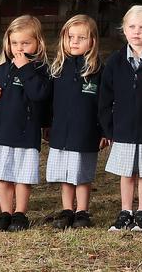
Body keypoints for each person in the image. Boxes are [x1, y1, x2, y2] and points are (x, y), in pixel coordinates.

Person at [99, 5, 142, 232]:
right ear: (124, 29)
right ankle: (126, 211)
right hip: (123, 130)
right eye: (132, 27)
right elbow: (105, 99)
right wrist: (108, 129)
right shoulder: (114, 62)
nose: (137, 31)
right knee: (127, 173)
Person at [0, 15, 50, 232]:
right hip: (2, 132)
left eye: (25, 43)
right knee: (4, 175)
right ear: (8, 44)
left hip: (26, 132)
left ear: (38, 43)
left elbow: (39, 94)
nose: (19, 48)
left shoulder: (40, 69)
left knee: (22, 176)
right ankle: (5, 212)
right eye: (14, 43)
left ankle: (20, 213)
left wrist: (25, 69)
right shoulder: (2, 68)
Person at [47, 14, 106, 229]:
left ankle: (82, 211)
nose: (74, 41)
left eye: (81, 37)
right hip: (62, 130)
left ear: (92, 40)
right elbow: (48, 101)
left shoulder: (97, 69)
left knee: (81, 173)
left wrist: (105, 131)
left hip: (87, 131)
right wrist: (46, 124)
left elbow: (105, 103)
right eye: (70, 36)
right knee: (65, 173)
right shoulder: (57, 68)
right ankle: (67, 210)